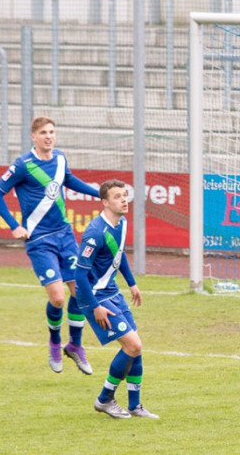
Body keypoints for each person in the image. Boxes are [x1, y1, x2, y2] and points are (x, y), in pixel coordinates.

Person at [0, 116, 100, 374]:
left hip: (65, 235)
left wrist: (99, 193)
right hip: (39, 240)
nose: (49, 136)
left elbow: (69, 181)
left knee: (80, 292)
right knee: (58, 298)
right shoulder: (23, 165)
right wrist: (14, 225)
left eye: (52, 132)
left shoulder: (60, 158)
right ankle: (54, 341)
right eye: (43, 132)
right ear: (33, 137)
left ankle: (75, 346)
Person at [75, 179, 158, 419]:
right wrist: (95, 307)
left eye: (125, 195)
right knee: (133, 345)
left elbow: (119, 256)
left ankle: (135, 405)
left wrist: (132, 284)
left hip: (112, 292)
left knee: (135, 346)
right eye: (117, 196)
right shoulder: (94, 233)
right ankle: (104, 399)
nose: (124, 200)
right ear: (104, 202)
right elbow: (79, 275)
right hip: (95, 297)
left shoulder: (121, 224)